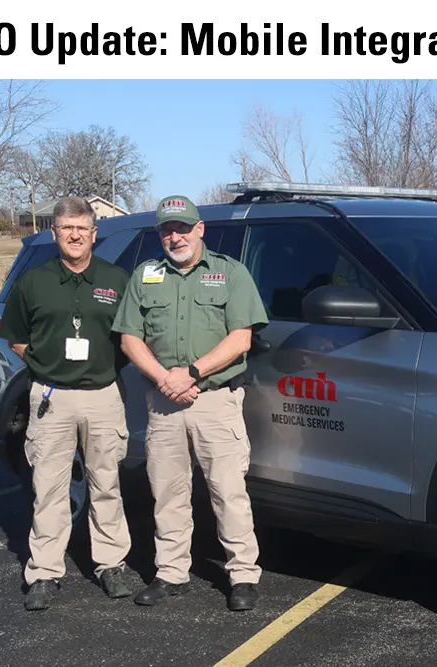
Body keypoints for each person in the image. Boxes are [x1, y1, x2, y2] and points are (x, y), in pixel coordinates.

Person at [111, 195, 269, 611]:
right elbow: (130, 338)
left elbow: (241, 338)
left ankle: (242, 576)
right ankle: (171, 573)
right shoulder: (145, 276)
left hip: (214, 399)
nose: (175, 236)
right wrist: (166, 378)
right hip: (164, 401)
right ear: (159, 235)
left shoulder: (230, 274)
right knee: (167, 491)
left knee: (228, 490)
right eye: (167, 229)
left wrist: (192, 373)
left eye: (182, 227)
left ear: (201, 229)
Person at [0, 196, 137, 610]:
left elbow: (130, 339)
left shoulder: (116, 279)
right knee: (49, 487)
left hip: (102, 396)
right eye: (67, 227)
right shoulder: (33, 282)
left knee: (105, 483)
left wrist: (107, 366)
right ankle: (43, 571)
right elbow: (16, 337)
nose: (75, 235)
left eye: (82, 228)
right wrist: (43, 363)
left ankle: (111, 564)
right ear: (55, 232)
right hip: (51, 397)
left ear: (94, 233)